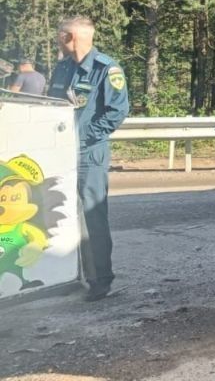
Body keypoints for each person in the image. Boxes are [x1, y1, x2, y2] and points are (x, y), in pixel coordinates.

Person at [47, 16, 130, 302]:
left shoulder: (106, 69)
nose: (57, 39)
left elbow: (117, 112)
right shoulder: (62, 68)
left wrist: (81, 138)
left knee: (91, 217)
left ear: (71, 37)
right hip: (58, 154)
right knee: (56, 212)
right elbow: (51, 108)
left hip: (87, 155)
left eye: (60, 35)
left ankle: (100, 279)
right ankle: (64, 275)